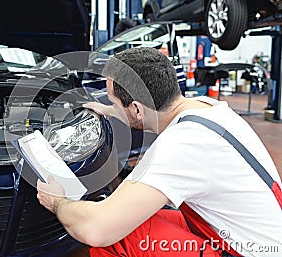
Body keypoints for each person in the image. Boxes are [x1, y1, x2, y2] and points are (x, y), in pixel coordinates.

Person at [37, 47, 282, 257]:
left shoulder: (181, 146)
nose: (112, 106)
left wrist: (58, 202)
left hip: (242, 251)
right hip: (258, 239)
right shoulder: (209, 108)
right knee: (139, 217)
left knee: (116, 234)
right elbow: (151, 118)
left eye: (114, 102)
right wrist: (109, 111)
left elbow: (96, 229)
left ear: (136, 109)